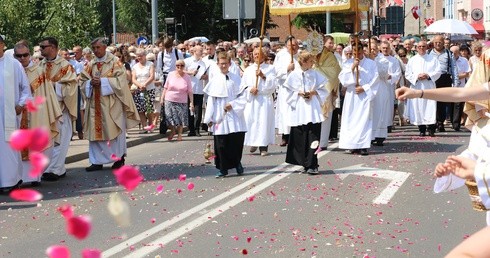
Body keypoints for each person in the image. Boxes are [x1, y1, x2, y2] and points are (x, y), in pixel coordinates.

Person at [79, 37, 140, 172]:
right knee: (95, 134)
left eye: (98, 48)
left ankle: (118, 159)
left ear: (105, 47)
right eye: (94, 48)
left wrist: (103, 82)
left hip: (112, 105)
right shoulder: (90, 64)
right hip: (95, 105)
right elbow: (82, 81)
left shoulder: (115, 62)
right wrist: (90, 83)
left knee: (115, 132)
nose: (95, 51)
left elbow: (122, 82)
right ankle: (96, 161)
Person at [14, 42, 62, 186]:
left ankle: (35, 177)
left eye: (25, 55)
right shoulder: (11, 71)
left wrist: (50, 112)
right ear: (15, 56)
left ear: (29, 54)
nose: (22, 58)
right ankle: (18, 177)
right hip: (16, 113)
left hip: (36, 113)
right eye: (19, 56)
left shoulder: (39, 71)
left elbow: (48, 94)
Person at [38, 37, 78, 181]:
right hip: (44, 110)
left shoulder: (65, 66)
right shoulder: (39, 66)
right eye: (40, 47)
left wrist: (53, 86)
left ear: (53, 48)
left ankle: (55, 169)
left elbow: (72, 87)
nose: (41, 49)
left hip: (60, 109)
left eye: (43, 46)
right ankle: (52, 168)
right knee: (48, 141)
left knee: (59, 140)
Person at [203, 52, 247, 178]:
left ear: (229, 64)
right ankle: (223, 168)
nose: (223, 66)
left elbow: (243, 96)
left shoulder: (236, 77)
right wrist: (209, 118)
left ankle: (237, 163)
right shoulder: (215, 79)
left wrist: (233, 104)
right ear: (218, 64)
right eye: (221, 64)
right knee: (221, 144)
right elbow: (210, 100)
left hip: (234, 113)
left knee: (235, 141)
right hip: (219, 114)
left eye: (225, 64)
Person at [284, 51, 328, 174]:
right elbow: (287, 92)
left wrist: (314, 93)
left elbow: (324, 90)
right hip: (299, 108)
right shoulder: (294, 75)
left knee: (313, 137)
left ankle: (313, 164)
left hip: (312, 109)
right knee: (301, 136)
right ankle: (304, 162)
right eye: (310, 61)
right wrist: (299, 93)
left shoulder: (315, 74)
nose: (312, 63)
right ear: (303, 62)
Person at [0, 35, 31, 191]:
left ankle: (11, 181)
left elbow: (26, 89)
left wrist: (21, 104)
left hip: (9, 115)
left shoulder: (14, 64)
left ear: (2, 45)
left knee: (9, 148)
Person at [338, 43, 379, 156]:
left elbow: (375, 79)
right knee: (351, 120)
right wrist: (352, 67)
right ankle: (351, 145)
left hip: (364, 94)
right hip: (352, 94)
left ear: (362, 51)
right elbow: (343, 79)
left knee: (364, 120)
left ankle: (363, 145)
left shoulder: (371, 63)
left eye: (359, 51)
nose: (357, 54)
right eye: (354, 52)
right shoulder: (348, 63)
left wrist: (364, 88)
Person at [242, 47, 276, 156]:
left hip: (264, 99)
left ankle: (263, 146)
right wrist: (250, 89)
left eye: (259, 54)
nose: (256, 56)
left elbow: (273, 85)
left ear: (264, 56)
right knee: (252, 121)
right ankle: (254, 142)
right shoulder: (248, 69)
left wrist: (263, 76)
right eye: (255, 54)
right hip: (252, 99)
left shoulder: (270, 68)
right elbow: (243, 85)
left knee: (263, 122)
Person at [404, 40, 441, 137]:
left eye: (423, 46)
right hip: (417, 86)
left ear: (427, 47)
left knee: (430, 107)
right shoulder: (412, 60)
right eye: (419, 47)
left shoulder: (433, 59)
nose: (421, 48)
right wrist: (416, 77)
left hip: (429, 86)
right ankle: (422, 129)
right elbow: (408, 73)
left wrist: (428, 75)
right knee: (418, 107)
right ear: (416, 48)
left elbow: (438, 71)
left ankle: (431, 129)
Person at [372, 41, 401, 146]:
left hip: (388, 86)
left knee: (386, 110)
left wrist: (391, 77)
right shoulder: (376, 59)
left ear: (390, 49)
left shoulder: (394, 60)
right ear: (380, 48)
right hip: (376, 87)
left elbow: (397, 73)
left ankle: (383, 132)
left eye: (387, 48)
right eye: (383, 48)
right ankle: (374, 134)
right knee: (376, 111)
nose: (385, 50)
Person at [315, 35, 341, 150]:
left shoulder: (331, 56)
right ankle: (314, 140)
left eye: (332, 43)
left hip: (326, 89)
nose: (332, 45)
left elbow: (335, 71)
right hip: (314, 90)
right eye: (329, 42)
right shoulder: (313, 55)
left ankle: (323, 141)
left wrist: (319, 70)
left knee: (326, 116)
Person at [273, 37, 300, 146]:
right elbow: (275, 71)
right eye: (290, 45)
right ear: (286, 46)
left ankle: (296, 136)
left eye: (295, 45)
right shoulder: (281, 55)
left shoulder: (301, 55)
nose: (293, 48)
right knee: (285, 113)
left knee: (296, 113)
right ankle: (285, 136)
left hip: (298, 89)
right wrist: (287, 69)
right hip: (285, 88)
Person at [428, 35, 458, 132]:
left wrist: (455, 82)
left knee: (443, 102)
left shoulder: (449, 54)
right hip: (432, 79)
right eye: (436, 42)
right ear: (433, 43)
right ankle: (432, 121)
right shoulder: (429, 54)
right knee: (432, 101)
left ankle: (440, 121)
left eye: (440, 42)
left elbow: (454, 68)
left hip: (444, 78)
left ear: (443, 42)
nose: (438, 44)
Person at [159, 59, 194, 141]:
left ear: (184, 67)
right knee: (169, 117)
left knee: (180, 118)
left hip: (181, 101)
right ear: (175, 66)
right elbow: (165, 87)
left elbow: (190, 91)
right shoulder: (170, 74)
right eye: (178, 65)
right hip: (169, 99)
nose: (179, 67)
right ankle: (173, 130)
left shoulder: (187, 77)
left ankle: (179, 134)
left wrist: (191, 103)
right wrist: (162, 98)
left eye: (182, 65)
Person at [184, 45, 206, 137]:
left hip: (199, 89)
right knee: (190, 109)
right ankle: (191, 129)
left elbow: (203, 75)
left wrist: (203, 76)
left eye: (202, 50)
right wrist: (190, 72)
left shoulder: (203, 63)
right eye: (200, 50)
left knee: (198, 110)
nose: (201, 52)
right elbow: (181, 71)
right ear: (194, 51)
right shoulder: (187, 61)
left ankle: (197, 129)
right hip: (189, 89)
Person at [132, 48, 156, 133]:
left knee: (149, 108)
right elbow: (133, 78)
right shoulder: (135, 66)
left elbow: (152, 76)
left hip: (149, 89)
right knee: (140, 109)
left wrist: (145, 84)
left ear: (144, 56)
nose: (139, 58)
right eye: (138, 56)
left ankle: (150, 125)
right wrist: (139, 85)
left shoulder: (150, 64)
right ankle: (144, 126)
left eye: (141, 56)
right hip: (139, 90)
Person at [450, 45, 471, 131]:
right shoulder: (448, 60)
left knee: (458, 106)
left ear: (459, 52)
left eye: (455, 52)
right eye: (451, 52)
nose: (453, 54)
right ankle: (451, 121)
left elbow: (467, 73)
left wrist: (456, 77)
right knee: (451, 105)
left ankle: (456, 124)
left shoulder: (464, 60)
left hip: (460, 86)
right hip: (449, 86)